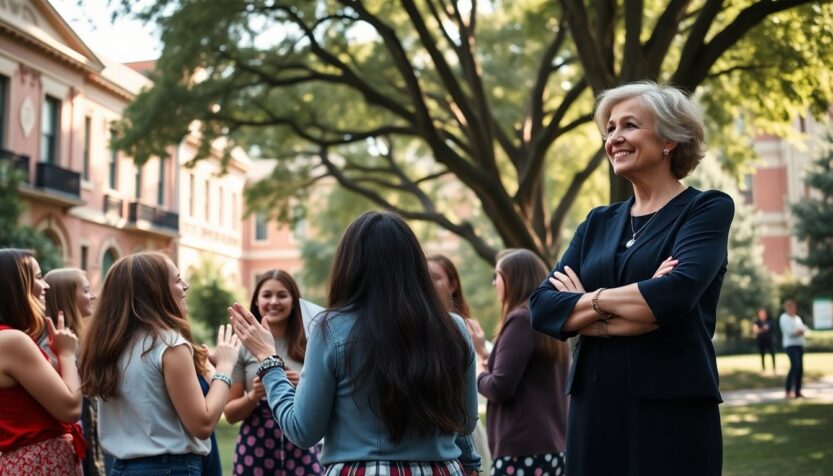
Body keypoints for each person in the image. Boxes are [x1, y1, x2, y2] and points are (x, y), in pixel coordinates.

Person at [529, 82, 733, 476]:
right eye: (609, 128)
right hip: (593, 408)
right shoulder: (597, 222)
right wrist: (633, 303)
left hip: (671, 412)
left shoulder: (706, 209)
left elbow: (674, 294)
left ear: (670, 139)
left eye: (629, 125)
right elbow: (542, 307)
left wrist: (587, 305)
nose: (614, 137)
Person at [230, 211, 478, 475]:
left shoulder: (330, 329)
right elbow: (466, 421)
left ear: (349, 265)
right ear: (415, 263)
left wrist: (268, 361)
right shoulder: (455, 328)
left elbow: (302, 431)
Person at [78, 251, 240, 475]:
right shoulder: (169, 344)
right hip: (169, 468)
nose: (185, 286)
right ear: (154, 290)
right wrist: (225, 365)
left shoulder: (107, 347)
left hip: (122, 468)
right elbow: (202, 424)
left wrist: (209, 372)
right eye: (176, 279)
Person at [474, 249, 569, 475]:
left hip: (521, 450)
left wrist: (477, 371)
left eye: (498, 275)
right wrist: (483, 351)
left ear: (515, 279)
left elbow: (499, 387)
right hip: (551, 447)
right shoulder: (547, 319)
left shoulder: (520, 320)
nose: (494, 282)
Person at [223, 269, 322, 475]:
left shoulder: (313, 342)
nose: (274, 301)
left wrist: (302, 387)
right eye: (267, 295)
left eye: (282, 295)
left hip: (304, 445)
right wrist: (253, 396)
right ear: (257, 302)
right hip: (255, 449)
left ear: (294, 301)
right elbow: (230, 414)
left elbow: (326, 405)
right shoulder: (243, 347)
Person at [0, 249, 86, 474]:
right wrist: (67, 353)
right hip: (40, 462)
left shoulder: (11, 339)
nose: (46, 286)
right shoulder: (13, 341)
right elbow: (70, 408)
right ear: (15, 287)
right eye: (38, 278)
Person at [427, 254, 491, 473]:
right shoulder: (417, 324)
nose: (428, 283)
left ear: (452, 284)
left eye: (435, 277)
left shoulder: (463, 326)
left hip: (461, 423)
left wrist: (481, 351)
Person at [43, 267, 105, 476]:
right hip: (72, 438)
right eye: (87, 291)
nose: (93, 296)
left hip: (89, 436)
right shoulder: (51, 346)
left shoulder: (81, 339)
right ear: (68, 298)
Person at [779, 299, 807, 399]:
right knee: (795, 366)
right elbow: (789, 332)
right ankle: (788, 390)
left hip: (799, 345)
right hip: (790, 345)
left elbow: (803, 329)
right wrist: (798, 331)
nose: (794, 309)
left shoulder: (797, 318)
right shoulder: (784, 318)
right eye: (792, 307)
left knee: (800, 368)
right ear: (787, 308)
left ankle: (797, 391)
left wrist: (799, 331)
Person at [753, 307, 776, 373]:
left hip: (769, 340)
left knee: (772, 354)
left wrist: (760, 330)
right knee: (762, 355)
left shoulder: (769, 321)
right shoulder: (757, 322)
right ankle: (763, 368)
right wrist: (762, 329)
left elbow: (768, 329)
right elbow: (755, 330)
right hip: (761, 341)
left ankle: (774, 368)